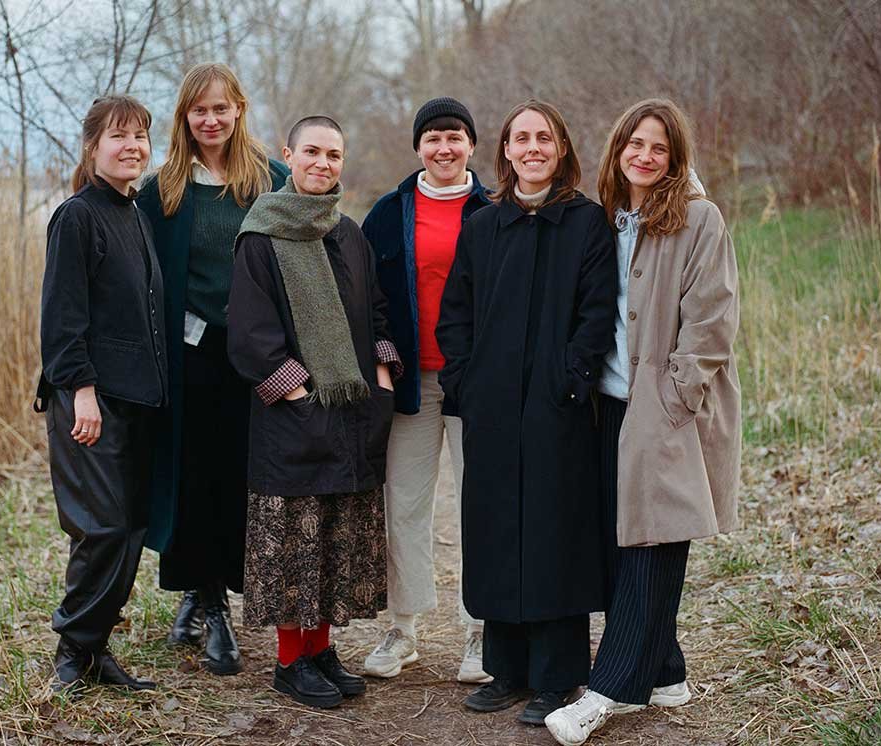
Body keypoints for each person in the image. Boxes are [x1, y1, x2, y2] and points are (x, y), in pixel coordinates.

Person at [544, 99, 740, 746]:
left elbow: (712, 321)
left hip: (665, 408)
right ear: (618, 149)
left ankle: (608, 691)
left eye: (659, 148)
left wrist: (677, 395)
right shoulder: (607, 217)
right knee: (622, 540)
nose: (646, 156)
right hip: (609, 407)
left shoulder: (697, 219)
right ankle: (667, 672)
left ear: (675, 158)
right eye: (636, 144)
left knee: (652, 547)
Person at [435, 99, 618, 726]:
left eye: (544, 138)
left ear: (561, 148)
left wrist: (572, 381)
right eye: (521, 139)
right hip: (489, 407)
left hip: (557, 407)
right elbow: (455, 312)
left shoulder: (587, 223)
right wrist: (462, 382)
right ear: (506, 152)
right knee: (494, 531)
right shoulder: (483, 227)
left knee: (552, 532)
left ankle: (556, 677)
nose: (533, 148)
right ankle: (505, 671)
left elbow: (598, 313)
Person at [228, 116, 401, 709]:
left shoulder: (348, 232)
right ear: (288, 155)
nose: (323, 163)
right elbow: (251, 333)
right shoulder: (260, 235)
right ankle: (288, 662)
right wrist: (300, 396)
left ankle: (321, 648)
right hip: (292, 420)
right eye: (312, 152)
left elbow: (375, 310)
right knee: (294, 542)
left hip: (352, 414)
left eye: (334, 154)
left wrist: (380, 377)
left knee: (332, 541)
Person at [136, 62, 287, 676]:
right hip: (189, 358)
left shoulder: (269, 180)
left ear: (238, 110)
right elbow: (136, 273)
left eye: (221, 108)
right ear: (185, 117)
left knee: (239, 476)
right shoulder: (163, 188)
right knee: (193, 476)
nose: (211, 119)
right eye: (200, 110)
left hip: (253, 358)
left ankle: (220, 588)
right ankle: (208, 602)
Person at [360, 97, 493, 683]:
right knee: (404, 505)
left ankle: (482, 632)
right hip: (412, 382)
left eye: (455, 137)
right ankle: (403, 628)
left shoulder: (495, 209)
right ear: (418, 147)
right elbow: (367, 299)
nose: (444, 148)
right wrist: (384, 361)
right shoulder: (388, 214)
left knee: (480, 506)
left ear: (471, 146)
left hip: (476, 382)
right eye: (433, 138)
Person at [37, 94, 167, 692]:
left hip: (139, 399)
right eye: (119, 136)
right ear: (94, 147)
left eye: (140, 136)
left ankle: (95, 650)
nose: (132, 146)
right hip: (90, 401)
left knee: (132, 528)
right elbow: (63, 319)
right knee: (102, 527)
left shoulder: (133, 212)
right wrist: (81, 391)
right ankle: (72, 650)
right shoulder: (78, 215)